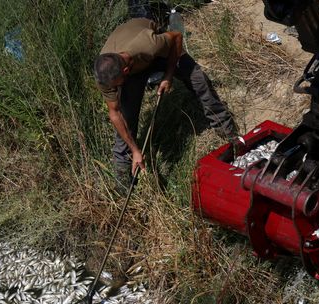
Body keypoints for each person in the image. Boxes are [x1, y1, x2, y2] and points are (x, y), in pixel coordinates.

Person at [93, 16, 238, 189]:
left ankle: (227, 131)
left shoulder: (147, 44)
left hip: (160, 53)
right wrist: (136, 150)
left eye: (117, 85)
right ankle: (124, 173)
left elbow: (177, 36)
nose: (114, 89)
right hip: (131, 69)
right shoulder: (104, 74)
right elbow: (115, 113)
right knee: (127, 115)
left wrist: (168, 75)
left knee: (199, 81)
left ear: (125, 71)